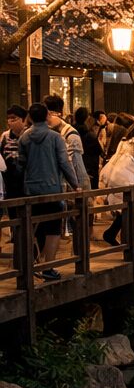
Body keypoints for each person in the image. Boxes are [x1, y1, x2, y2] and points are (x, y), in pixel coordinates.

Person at [19, 102, 80, 280]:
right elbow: (64, 163)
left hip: (30, 189)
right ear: (46, 116)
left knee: (35, 227)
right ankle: (49, 267)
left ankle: (33, 265)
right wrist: (75, 184)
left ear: (29, 117)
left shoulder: (24, 137)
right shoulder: (55, 137)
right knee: (53, 229)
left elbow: (21, 163)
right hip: (52, 188)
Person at [99, 117, 134, 246]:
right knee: (131, 208)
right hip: (129, 178)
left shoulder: (126, 140)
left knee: (126, 209)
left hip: (117, 175)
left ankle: (114, 234)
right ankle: (129, 242)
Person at [1, 105, 28, 202]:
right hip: (9, 179)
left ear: (23, 119)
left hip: (25, 179)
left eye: (14, 118)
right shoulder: (5, 136)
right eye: (8, 118)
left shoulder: (28, 134)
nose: (10, 121)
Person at [74, 106, 103, 189]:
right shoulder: (90, 135)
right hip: (90, 170)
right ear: (87, 118)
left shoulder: (71, 132)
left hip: (75, 168)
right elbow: (99, 151)